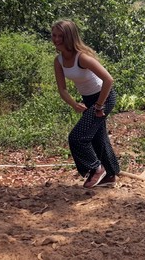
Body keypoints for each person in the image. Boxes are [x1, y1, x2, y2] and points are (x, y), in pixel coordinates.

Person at [51, 19, 120, 188]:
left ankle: (96, 168)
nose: (57, 39)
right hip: (88, 99)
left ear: (70, 37)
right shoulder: (58, 61)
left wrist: (98, 106)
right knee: (98, 136)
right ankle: (110, 175)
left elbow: (108, 80)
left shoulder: (82, 57)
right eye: (54, 35)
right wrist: (74, 104)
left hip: (104, 97)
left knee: (78, 137)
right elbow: (62, 90)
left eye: (61, 36)